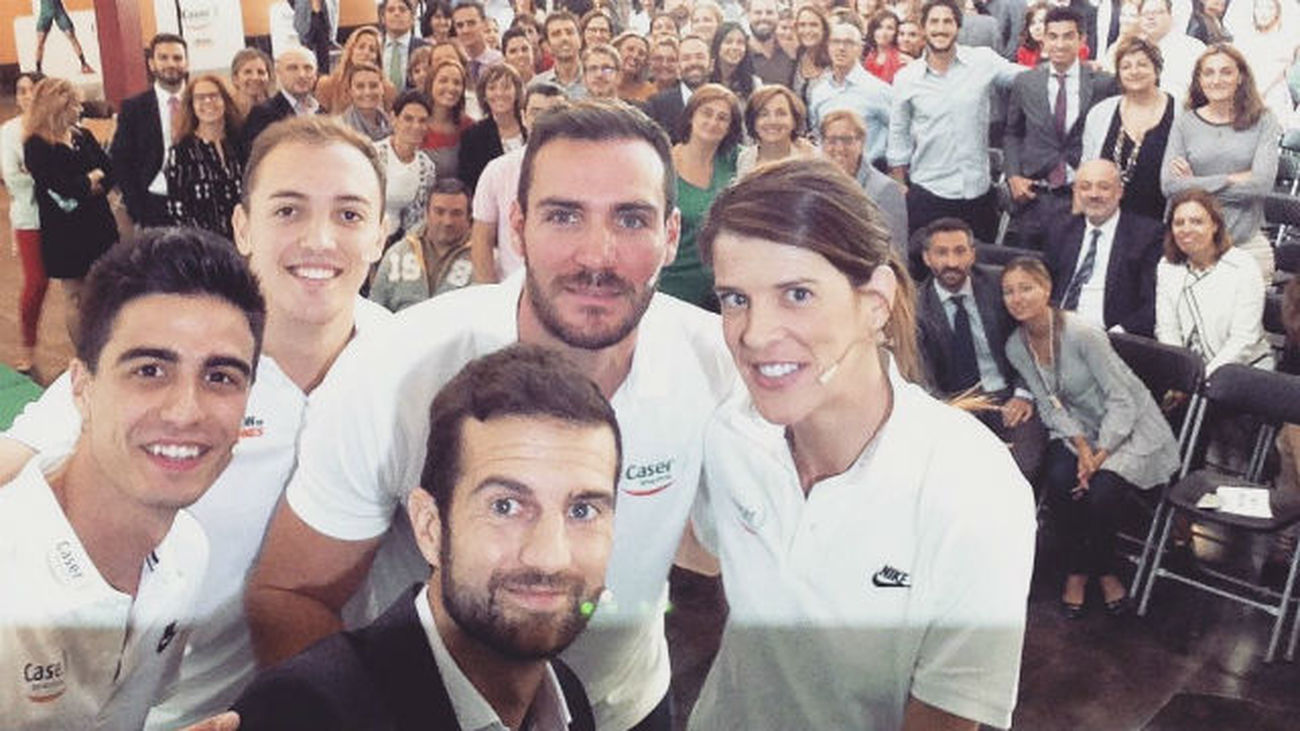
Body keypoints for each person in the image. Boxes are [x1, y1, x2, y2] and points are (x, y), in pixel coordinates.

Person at [243, 102, 734, 731]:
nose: (596, 255)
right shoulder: (397, 370)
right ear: (518, 226)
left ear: (670, 235)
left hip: (624, 703)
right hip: (425, 710)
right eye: (564, 216)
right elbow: (290, 595)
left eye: (631, 219)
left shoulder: (717, 365)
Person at [0, 116, 394, 729]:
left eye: (348, 214)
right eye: (288, 210)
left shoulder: (408, 363)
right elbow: (16, 463)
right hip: (172, 706)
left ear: (380, 234)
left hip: (323, 690)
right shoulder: (167, 343)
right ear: (242, 226)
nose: (319, 238)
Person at [686, 157, 1034, 730]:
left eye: (796, 293)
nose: (754, 333)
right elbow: (710, 550)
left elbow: (948, 716)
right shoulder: (732, 432)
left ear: (875, 302)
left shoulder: (975, 489)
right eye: (734, 298)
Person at [231, 345, 613, 729]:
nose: (549, 556)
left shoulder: (567, 698)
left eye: (582, 511)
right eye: (505, 507)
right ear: (431, 528)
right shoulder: (304, 712)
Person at [0, 228, 264, 729]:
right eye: (149, 370)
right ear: (81, 388)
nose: (186, 411)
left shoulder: (186, 554)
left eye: (221, 377)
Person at [1002, 256, 1178, 619]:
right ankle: (1087, 568)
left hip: (1127, 425)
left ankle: (1093, 570)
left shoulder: (1081, 332)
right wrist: (1082, 448)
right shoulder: (1015, 346)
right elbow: (1050, 408)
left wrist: (1099, 455)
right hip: (1076, 427)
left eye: (1026, 288)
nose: (1018, 298)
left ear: (1047, 289)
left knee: (1103, 492)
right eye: (1009, 292)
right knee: (1060, 479)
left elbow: (1122, 398)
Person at [914, 217, 1044, 475]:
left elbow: (1034, 334)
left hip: (1008, 396)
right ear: (927, 258)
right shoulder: (916, 307)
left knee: (1021, 468)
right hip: (956, 405)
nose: (952, 262)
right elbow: (922, 376)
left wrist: (1022, 392)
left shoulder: (1000, 285)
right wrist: (954, 414)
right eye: (942, 253)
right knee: (962, 475)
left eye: (960, 251)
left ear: (973, 254)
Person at [888, 0, 1025, 243]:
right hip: (928, 193)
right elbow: (898, 133)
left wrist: (1074, 67)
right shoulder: (906, 78)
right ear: (923, 27)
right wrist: (899, 183)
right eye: (934, 22)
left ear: (958, 27)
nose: (941, 29)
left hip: (977, 195)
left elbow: (1024, 79)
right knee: (926, 269)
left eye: (947, 21)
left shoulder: (983, 61)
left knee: (978, 270)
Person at [1160, 43, 1281, 281]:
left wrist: (1194, 183)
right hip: (1190, 244)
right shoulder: (1185, 122)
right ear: (1199, 79)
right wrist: (1231, 178)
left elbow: (1261, 185)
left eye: (1226, 71)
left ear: (1241, 77)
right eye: (1209, 72)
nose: (1217, 80)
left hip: (1244, 244)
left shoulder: (1264, 120)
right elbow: (1169, 186)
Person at [1003, 7, 1117, 249]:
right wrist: (1013, 175)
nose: (1060, 44)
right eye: (1053, 36)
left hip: (1081, 195)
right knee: (1029, 270)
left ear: (1082, 39)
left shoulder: (1102, 84)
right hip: (1035, 195)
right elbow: (1013, 133)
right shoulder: (1026, 83)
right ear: (1043, 39)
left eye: (1068, 36)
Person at [22, 77, 115, 343]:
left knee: (104, 289)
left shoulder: (82, 136)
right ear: (57, 107)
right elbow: (60, 185)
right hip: (64, 233)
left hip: (98, 224)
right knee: (75, 295)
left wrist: (91, 183)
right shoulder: (36, 145)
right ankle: (82, 350)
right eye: (74, 104)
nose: (79, 109)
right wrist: (89, 181)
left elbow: (109, 171)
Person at [1032, 159, 1163, 336]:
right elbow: (1045, 284)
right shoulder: (1060, 228)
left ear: (1119, 192)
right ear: (1075, 192)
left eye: (1104, 187)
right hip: (1058, 330)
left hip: (1110, 334)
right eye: (1085, 187)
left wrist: (1120, 334)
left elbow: (1154, 303)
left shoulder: (1146, 236)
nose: (1094, 194)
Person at [1155, 188, 1271, 373]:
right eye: (1178, 223)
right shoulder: (1167, 266)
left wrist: (1202, 379)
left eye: (1197, 222)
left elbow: (1244, 339)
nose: (1186, 229)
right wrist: (1179, 372)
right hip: (1186, 370)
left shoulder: (1243, 266)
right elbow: (1167, 329)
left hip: (1241, 369)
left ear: (1215, 225)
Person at [468, 82, 568, 283]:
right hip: (512, 286)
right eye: (537, 112)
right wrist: (490, 293)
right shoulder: (497, 170)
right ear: (523, 117)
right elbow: (481, 240)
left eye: (555, 113)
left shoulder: (585, 172)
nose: (546, 121)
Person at [664, 84, 743, 310]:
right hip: (673, 288)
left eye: (722, 118)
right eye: (706, 113)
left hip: (722, 289)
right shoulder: (664, 163)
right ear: (691, 116)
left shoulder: (735, 160)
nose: (713, 122)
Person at [1080, 36, 1176, 221]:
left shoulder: (1180, 112)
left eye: (1142, 64)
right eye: (1126, 66)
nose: (1134, 71)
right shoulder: (1100, 113)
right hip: (1107, 221)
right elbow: (1088, 168)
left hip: (1160, 222)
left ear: (1156, 69)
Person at [110, 33, 189, 228]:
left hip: (198, 197)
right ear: (151, 63)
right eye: (163, 58)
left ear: (186, 63)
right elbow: (121, 159)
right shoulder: (134, 108)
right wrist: (136, 208)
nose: (171, 63)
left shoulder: (201, 100)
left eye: (177, 58)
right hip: (154, 203)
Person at [370, 179, 474, 311]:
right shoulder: (397, 254)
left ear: (469, 216)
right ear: (426, 213)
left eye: (456, 213)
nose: (447, 221)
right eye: (439, 212)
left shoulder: (484, 260)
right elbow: (375, 308)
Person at [1, 72, 47, 375]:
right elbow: (12, 176)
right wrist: (55, 178)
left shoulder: (59, 124)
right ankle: (28, 348)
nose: (26, 95)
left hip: (66, 218)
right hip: (30, 218)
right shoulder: (9, 131)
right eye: (21, 90)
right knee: (35, 284)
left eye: (32, 89)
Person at [164, 74, 245, 241]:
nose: (208, 102)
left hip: (246, 241)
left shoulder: (241, 144)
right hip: (205, 247)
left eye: (214, 96)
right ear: (191, 105)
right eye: (200, 98)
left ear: (225, 101)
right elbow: (177, 209)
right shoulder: (181, 151)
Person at [819, 109, 909, 258]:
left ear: (861, 142)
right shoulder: (814, 185)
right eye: (832, 140)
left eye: (847, 140)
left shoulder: (885, 189)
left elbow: (896, 254)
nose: (839, 148)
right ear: (822, 143)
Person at [808, 21, 892, 167]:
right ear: (828, 46)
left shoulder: (878, 90)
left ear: (860, 49)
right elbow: (818, 135)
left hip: (869, 175)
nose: (841, 48)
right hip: (832, 176)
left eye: (848, 42)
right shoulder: (819, 92)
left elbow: (899, 131)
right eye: (836, 42)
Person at [376, 91, 438, 241]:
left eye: (422, 120)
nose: (416, 126)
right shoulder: (373, 155)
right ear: (393, 119)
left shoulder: (427, 167)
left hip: (398, 241)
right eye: (408, 119)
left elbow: (417, 219)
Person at [242, 47, 322, 153]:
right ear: (278, 74)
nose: (301, 75)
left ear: (315, 75)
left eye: (308, 68)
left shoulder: (323, 112)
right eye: (292, 68)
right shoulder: (263, 114)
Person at [459, 63, 525, 189]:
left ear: (516, 91)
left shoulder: (531, 127)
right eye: (492, 88)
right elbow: (470, 184)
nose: (499, 93)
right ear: (484, 96)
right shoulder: (472, 136)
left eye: (506, 87)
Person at [736, 85, 818, 176]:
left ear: (794, 120)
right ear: (753, 121)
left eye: (781, 114)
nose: (772, 121)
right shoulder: (743, 160)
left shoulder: (811, 161)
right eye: (763, 114)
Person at [316, 27, 398, 114]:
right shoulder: (328, 85)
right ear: (351, 51)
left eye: (372, 50)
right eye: (361, 47)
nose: (366, 53)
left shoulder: (388, 90)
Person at [644, 34, 711, 140]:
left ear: (712, 63)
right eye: (686, 58)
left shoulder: (726, 101)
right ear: (678, 66)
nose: (693, 62)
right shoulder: (657, 105)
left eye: (700, 57)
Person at [1138, 0, 1204, 102]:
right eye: (1145, 13)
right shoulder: (1133, 49)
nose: (1150, 17)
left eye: (1158, 12)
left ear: (1171, 16)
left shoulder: (1192, 48)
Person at [422, 60, 473, 181]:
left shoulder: (469, 128)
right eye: (443, 81)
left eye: (457, 83)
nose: (451, 88)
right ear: (430, 84)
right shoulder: (415, 123)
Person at [32, 0, 95, 75]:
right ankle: (38, 70)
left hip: (59, 11)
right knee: (40, 42)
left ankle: (84, 65)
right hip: (46, 13)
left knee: (71, 36)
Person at [534, 12, 588, 98]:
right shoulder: (537, 85)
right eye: (556, 34)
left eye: (570, 32)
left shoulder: (596, 80)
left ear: (580, 39)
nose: (564, 38)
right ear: (547, 45)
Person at [337, 63, 394, 141]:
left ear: (382, 89)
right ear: (350, 91)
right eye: (360, 86)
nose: (367, 92)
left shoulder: (392, 125)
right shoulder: (340, 130)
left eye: (373, 86)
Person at [380, 0, 429, 89]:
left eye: (402, 10)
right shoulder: (375, 48)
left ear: (412, 17)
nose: (397, 13)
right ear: (383, 18)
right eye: (391, 10)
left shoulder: (425, 48)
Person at [792, 5, 832, 115]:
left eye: (813, 25)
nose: (807, 30)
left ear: (824, 29)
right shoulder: (796, 57)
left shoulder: (834, 59)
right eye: (802, 25)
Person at [454, 1, 506, 84]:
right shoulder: (456, 62)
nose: (465, 30)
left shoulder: (500, 62)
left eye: (471, 23)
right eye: (460, 25)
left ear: (483, 24)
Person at [748, 0, 796, 86]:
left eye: (769, 12)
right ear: (749, 16)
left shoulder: (789, 52)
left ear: (777, 16)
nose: (763, 18)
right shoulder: (739, 52)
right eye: (758, 13)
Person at [710, 22, 759, 102]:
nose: (735, 47)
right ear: (718, 45)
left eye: (740, 43)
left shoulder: (753, 83)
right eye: (728, 42)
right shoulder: (705, 79)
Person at [864, 11, 913, 83]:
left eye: (889, 28)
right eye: (879, 27)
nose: (883, 32)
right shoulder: (869, 56)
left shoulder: (902, 59)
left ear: (896, 32)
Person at [292, 0, 340, 73]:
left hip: (323, 15)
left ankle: (324, 77)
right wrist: (299, 7)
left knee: (323, 53)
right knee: (306, 50)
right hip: (305, 15)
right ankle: (306, 75)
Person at [230, 48, 274, 116]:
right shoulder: (226, 113)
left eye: (261, 72)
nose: (255, 77)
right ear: (235, 79)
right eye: (248, 72)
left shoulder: (278, 109)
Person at [615, 32, 658, 101]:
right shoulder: (602, 81)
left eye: (641, 54)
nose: (635, 56)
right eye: (630, 49)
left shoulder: (650, 92)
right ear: (617, 50)